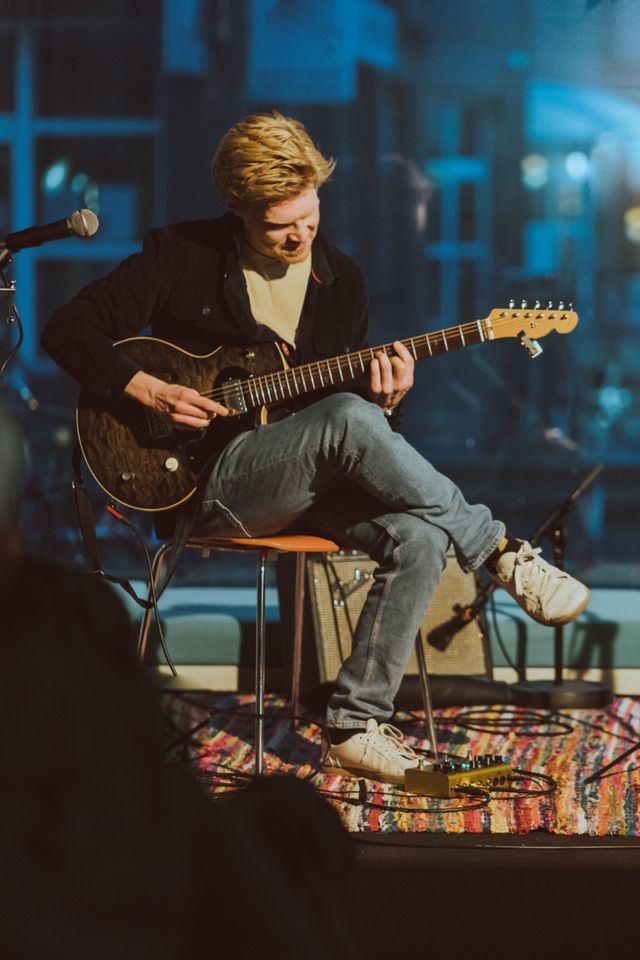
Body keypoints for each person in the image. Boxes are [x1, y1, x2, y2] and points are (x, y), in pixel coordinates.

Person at [42, 111, 591, 785]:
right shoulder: (181, 256)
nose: (301, 234)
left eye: (310, 214)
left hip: (304, 485)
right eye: (279, 225)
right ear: (239, 211)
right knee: (349, 417)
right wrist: (147, 390)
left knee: (419, 536)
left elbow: (352, 434)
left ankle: (354, 724)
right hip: (201, 481)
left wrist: (389, 405)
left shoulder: (342, 282)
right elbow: (67, 328)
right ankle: (500, 551)